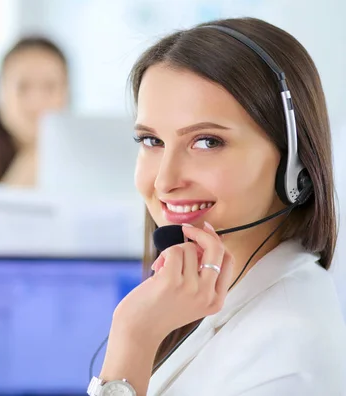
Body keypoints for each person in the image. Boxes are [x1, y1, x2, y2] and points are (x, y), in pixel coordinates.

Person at [89, 17, 346, 396]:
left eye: (207, 142)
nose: (164, 181)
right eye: (151, 140)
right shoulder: (208, 299)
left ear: (295, 166)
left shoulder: (288, 354)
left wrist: (132, 342)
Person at [0, 35, 70, 186]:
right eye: (23, 87)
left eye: (50, 87)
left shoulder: (90, 171)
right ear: (0, 96)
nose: (36, 102)